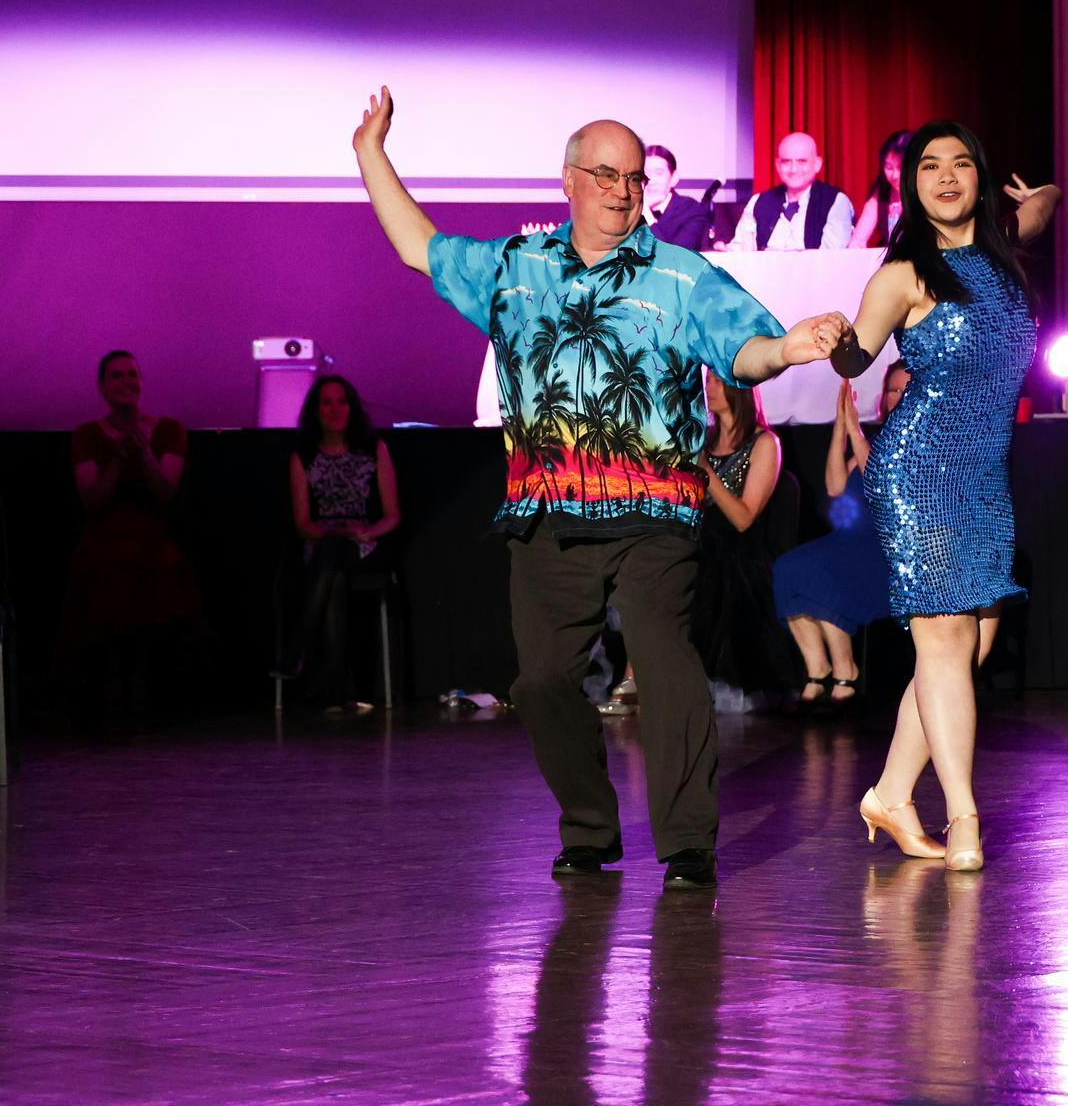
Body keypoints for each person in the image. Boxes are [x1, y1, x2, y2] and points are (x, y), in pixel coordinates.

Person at [350, 86, 845, 889]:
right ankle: (588, 824)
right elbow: (420, 247)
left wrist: (788, 347)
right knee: (541, 680)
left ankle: (687, 842)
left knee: (666, 662)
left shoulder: (681, 275)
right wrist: (370, 152)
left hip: (656, 509)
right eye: (607, 174)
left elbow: (745, 347)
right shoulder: (516, 270)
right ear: (570, 180)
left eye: (635, 177)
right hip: (549, 512)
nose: (622, 190)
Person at [829, 120, 1061, 871]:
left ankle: (891, 794)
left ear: (980, 179)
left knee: (969, 645)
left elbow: (1045, 204)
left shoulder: (1002, 247)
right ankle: (964, 816)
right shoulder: (903, 274)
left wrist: (1046, 191)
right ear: (912, 185)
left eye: (962, 163)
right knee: (943, 642)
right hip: (920, 470)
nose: (948, 177)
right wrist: (831, 341)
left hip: (985, 474)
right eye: (931, 166)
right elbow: (856, 355)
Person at [62, 350, 198, 717]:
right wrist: (120, 458)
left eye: (132, 374)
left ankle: (143, 684)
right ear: (102, 388)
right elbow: (92, 502)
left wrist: (145, 453)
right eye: (117, 375)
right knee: (105, 565)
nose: (126, 382)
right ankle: (109, 684)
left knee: (156, 564)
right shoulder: (87, 436)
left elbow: (166, 495)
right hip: (104, 536)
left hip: (152, 536)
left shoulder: (168, 431)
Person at [774, 365, 910, 704]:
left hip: (886, 548)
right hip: (850, 542)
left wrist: (854, 429)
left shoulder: (918, 444)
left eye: (906, 390)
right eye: (893, 390)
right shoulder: (877, 440)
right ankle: (817, 669)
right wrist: (841, 426)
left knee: (824, 573)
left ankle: (846, 670)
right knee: (788, 568)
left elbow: (877, 476)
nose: (898, 397)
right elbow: (835, 487)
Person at [283, 375, 401, 714]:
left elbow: (393, 515)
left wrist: (366, 532)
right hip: (323, 541)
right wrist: (332, 531)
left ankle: (300, 649)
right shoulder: (303, 456)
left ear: (351, 407)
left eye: (341, 401)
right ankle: (336, 691)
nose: (335, 409)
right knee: (332, 564)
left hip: (363, 542)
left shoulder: (373, 449)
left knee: (334, 556)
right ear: (315, 410)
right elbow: (303, 524)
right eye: (327, 402)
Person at [692, 372, 798, 706]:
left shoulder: (764, 442)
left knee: (714, 568)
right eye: (708, 381)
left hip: (740, 551)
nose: (708, 388)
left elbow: (743, 518)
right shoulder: (704, 440)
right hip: (700, 540)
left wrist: (705, 471)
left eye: (716, 381)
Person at [727, 131, 855, 251]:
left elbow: (833, 257)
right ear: (778, 165)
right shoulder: (758, 201)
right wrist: (726, 251)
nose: (793, 169)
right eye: (786, 162)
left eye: (802, 161)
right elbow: (740, 248)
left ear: (817, 164)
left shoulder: (835, 202)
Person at [642, 145, 716, 252]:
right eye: (644, 173)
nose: (651, 181)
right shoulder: (626, 210)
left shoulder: (692, 210)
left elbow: (675, 258)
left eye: (659, 173)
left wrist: (646, 214)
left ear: (673, 178)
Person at [850, 130, 913, 250]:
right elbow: (858, 239)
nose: (895, 175)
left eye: (901, 167)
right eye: (889, 167)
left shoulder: (928, 194)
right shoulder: (881, 193)